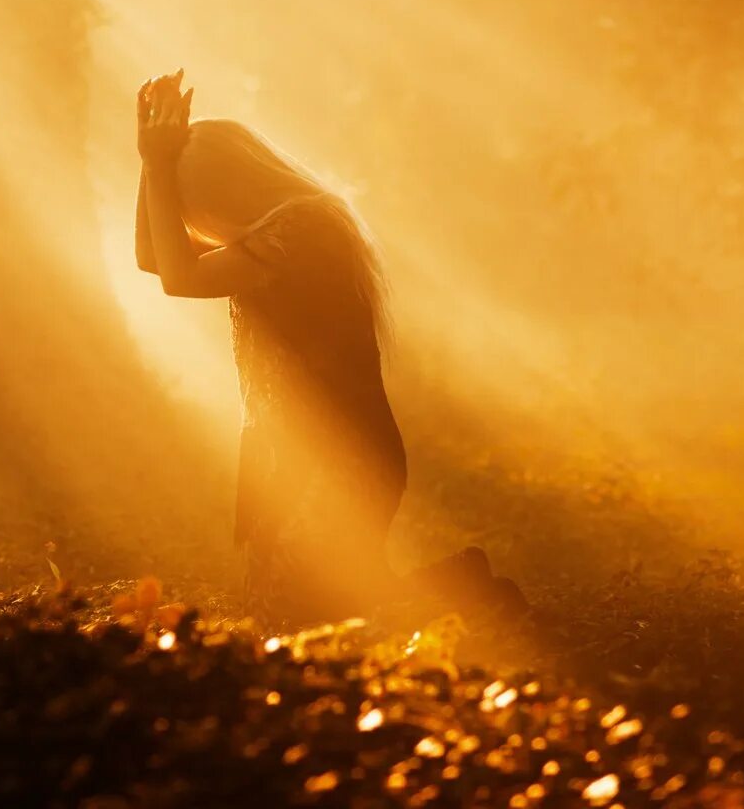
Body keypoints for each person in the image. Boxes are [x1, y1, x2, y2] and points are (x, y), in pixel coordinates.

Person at [135, 70, 522, 624]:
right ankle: (468, 588)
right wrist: (153, 163)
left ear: (228, 189)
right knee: (298, 614)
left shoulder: (299, 231)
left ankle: (474, 594)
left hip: (338, 451)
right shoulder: (267, 233)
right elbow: (155, 257)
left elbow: (174, 273)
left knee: (315, 615)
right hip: (292, 453)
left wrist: (156, 163)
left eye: (196, 205)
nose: (196, 224)